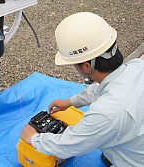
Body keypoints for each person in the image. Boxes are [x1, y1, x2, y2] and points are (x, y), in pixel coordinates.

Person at [20, 12, 144, 167]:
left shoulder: (105, 114)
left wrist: (34, 138)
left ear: (87, 66)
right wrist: (70, 101)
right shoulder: (137, 66)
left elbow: (69, 145)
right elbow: (102, 89)